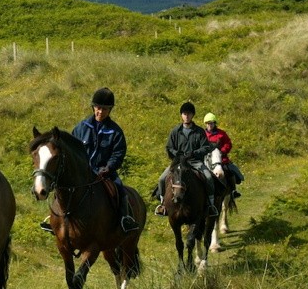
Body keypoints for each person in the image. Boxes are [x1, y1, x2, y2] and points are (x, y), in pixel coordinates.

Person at [41, 87, 139, 233]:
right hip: (82, 173)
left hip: (104, 173)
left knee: (118, 187)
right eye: (98, 108)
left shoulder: (115, 131)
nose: (100, 112)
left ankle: (125, 219)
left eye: (105, 109)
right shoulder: (81, 128)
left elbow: (118, 153)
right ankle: (54, 219)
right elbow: (72, 150)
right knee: (62, 185)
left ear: (110, 110)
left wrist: (109, 167)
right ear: (93, 107)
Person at [154, 101, 218, 216]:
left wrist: (193, 153)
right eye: (184, 114)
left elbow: (206, 147)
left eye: (189, 114)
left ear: (192, 115)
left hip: (195, 162)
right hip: (178, 162)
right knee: (161, 179)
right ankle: (163, 205)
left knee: (208, 177)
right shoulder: (175, 131)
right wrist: (176, 153)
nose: (186, 116)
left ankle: (210, 205)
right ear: (181, 115)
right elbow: (169, 147)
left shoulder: (199, 131)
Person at [203, 112, 244, 196]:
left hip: (221, 158)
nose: (209, 125)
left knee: (229, 171)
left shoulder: (221, 133)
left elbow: (228, 144)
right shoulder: (202, 134)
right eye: (208, 123)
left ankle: (232, 191)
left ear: (214, 123)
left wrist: (222, 151)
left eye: (211, 123)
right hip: (207, 159)